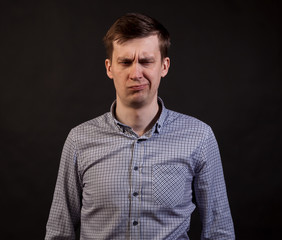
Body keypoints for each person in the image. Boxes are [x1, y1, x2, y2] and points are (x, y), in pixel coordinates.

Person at [45, 13, 235, 239]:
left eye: (146, 61)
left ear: (164, 66)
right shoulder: (79, 139)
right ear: (109, 68)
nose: (136, 73)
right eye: (125, 62)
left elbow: (219, 232)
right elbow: (59, 233)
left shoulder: (199, 137)